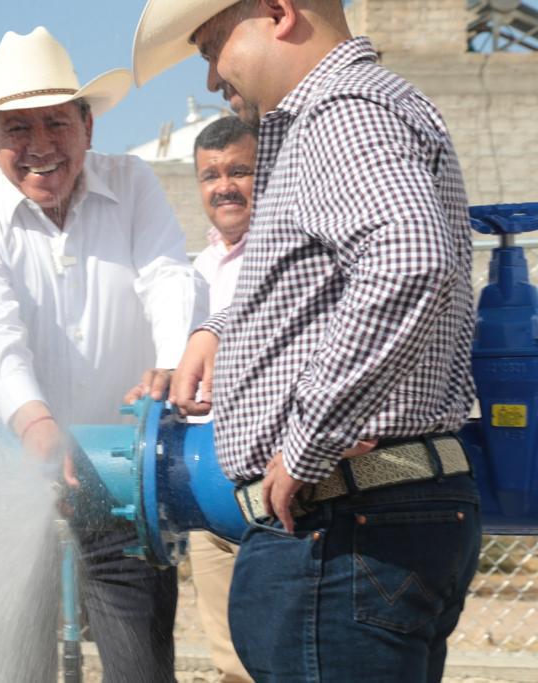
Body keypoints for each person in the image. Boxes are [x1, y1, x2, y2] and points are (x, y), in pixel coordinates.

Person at [132, 1, 482, 681]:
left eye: (211, 46)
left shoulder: (340, 112)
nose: (210, 78)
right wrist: (221, 329)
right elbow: (323, 282)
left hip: (341, 521)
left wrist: (306, 441)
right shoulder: (361, 109)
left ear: (277, 12)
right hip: (368, 517)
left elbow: (408, 259)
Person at [0, 27, 208, 682]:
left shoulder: (132, 181)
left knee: (140, 668)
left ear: (87, 125)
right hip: (4, 463)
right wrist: (35, 425)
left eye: (57, 122)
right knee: (10, 665)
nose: (39, 147)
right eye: (17, 129)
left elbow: (169, 274)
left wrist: (174, 361)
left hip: (118, 473)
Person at [189, 115, 256, 683]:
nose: (224, 186)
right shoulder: (198, 268)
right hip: (203, 481)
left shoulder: (284, 255)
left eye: (239, 170)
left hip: (275, 480)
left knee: (283, 649)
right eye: (210, 175)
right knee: (229, 659)